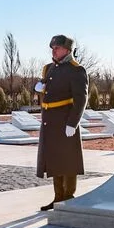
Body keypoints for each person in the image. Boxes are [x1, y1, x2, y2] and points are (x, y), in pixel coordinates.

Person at [35, 35, 89, 211]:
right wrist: (37, 87)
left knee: (68, 161)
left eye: (57, 48)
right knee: (54, 160)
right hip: (50, 122)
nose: (54, 50)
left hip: (65, 122)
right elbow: (47, 90)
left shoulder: (76, 70)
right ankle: (58, 198)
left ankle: (68, 196)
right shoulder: (49, 68)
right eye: (52, 48)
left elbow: (81, 99)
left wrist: (72, 123)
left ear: (67, 50)